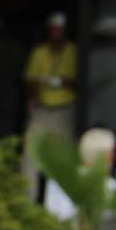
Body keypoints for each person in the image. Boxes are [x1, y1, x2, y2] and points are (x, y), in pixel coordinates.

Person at [22, 10, 79, 198]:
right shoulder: (40, 52)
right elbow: (29, 80)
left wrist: (63, 82)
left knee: (63, 158)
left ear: (66, 31)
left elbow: (81, 83)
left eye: (60, 29)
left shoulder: (74, 51)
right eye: (53, 29)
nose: (56, 33)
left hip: (65, 110)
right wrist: (32, 98)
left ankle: (62, 203)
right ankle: (27, 200)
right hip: (42, 110)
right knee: (30, 154)